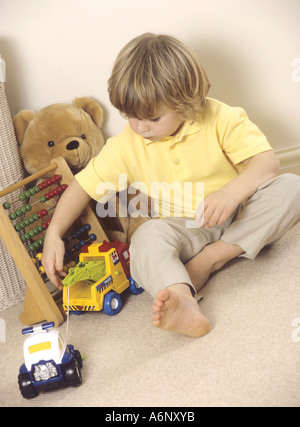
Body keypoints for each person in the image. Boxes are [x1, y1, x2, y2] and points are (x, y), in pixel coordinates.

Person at [42, 33, 300, 338]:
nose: (140, 127)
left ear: (185, 101)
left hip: (242, 212)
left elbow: (266, 163)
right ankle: (182, 299)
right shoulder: (127, 144)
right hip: (184, 228)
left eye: (152, 117)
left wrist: (231, 194)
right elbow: (81, 187)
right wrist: (53, 234)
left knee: (291, 187)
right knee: (145, 238)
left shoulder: (222, 118)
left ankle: (208, 262)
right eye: (130, 116)